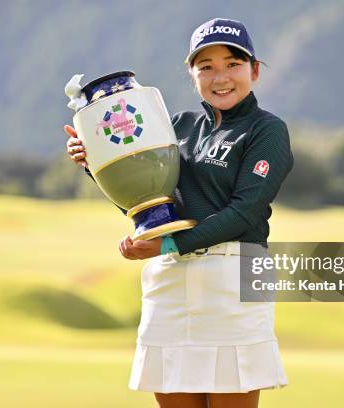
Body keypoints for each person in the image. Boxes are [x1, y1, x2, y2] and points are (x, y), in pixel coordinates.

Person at [64, 18, 294, 408]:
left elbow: (244, 212)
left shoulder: (266, 130)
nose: (220, 76)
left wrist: (168, 243)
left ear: (254, 70)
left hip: (234, 278)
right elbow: (147, 203)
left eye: (233, 64)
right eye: (206, 67)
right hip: (170, 281)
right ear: (192, 75)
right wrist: (95, 164)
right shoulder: (177, 127)